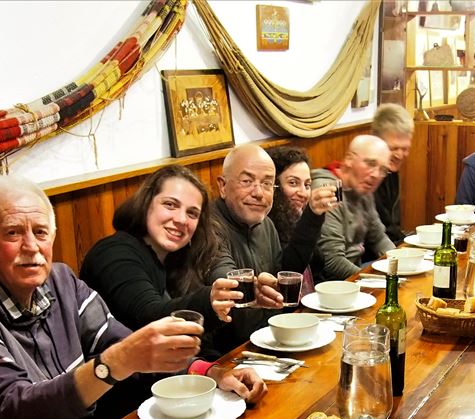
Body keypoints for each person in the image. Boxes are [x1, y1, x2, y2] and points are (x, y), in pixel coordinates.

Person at [0, 176, 265, 419]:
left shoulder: (61, 282)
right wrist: (109, 366)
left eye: (40, 232)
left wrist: (210, 373)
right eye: (13, 233)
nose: (31, 247)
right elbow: (10, 412)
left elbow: (126, 345)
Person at [80, 166, 247, 353]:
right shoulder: (113, 253)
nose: (181, 219)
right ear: (146, 203)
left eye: (192, 213)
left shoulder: (178, 257)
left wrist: (253, 296)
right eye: (170, 205)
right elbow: (150, 318)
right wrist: (208, 300)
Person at [211, 143, 333, 347]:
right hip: (229, 353)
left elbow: (283, 277)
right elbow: (230, 291)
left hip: (270, 338)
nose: (258, 192)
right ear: (223, 186)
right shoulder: (209, 226)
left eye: (267, 184)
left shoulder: (265, 224)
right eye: (247, 181)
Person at [312, 134, 396, 280]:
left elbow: (379, 238)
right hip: (333, 283)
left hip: (357, 271)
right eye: (370, 163)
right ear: (350, 159)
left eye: (383, 169)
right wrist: (379, 282)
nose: (376, 174)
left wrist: (400, 266)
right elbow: (332, 262)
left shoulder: (362, 188)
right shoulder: (328, 190)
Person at [371, 104, 414, 242]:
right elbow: (378, 234)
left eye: (405, 148)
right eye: (394, 148)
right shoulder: (368, 175)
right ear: (376, 140)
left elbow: (393, 226)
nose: (400, 155)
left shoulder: (390, 171)